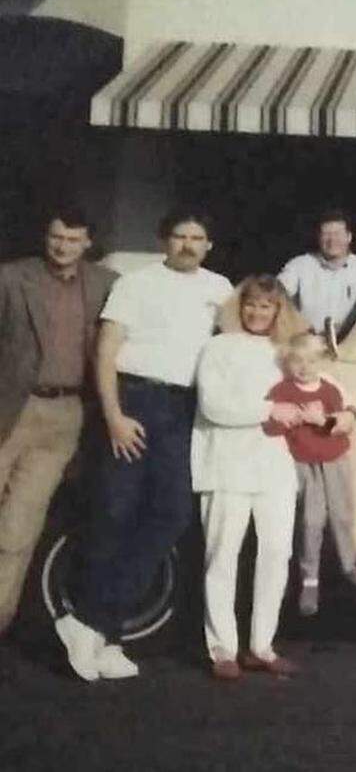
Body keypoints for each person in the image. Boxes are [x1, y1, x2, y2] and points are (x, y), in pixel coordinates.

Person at [55, 209, 233, 681]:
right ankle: (101, 631)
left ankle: (92, 623)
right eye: (180, 236)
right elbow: (107, 349)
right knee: (115, 514)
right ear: (164, 240)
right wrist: (114, 415)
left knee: (172, 515)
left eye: (198, 237)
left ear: (209, 245)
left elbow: (250, 336)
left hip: (183, 409)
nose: (188, 245)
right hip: (135, 400)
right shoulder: (136, 283)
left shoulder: (220, 289)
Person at [0, 207, 117, 636]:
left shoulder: (107, 285)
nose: (62, 246)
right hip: (11, 406)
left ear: (87, 243)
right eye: (56, 238)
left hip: (65, 416)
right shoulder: (11, 278)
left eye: (72, 240)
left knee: (19, 527)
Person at [192, 276, 310, 680]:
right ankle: (222, 648)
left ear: (280, 311)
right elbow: (214, 406)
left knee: (277, 554)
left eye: (267, 306)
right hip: (226, 464)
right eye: (251, 304)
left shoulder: (286, 352)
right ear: (239, 306)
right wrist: (268, 411)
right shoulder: (218, 346)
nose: (258, 313)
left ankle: (261, 646)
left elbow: (320, 390)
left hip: (275, 466)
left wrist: (341, 411)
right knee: (222, 555)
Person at [265, 332, 356, 619]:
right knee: (311, 522)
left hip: (334, 459)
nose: (304, 367)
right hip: (303, 462)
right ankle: (310, 581)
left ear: (321, 361)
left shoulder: (330, 389)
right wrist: (286, 417)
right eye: (298, 360)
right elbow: (271, 424)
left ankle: (349, 564)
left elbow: (346, 420)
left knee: (342, 514)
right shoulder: (283, 390)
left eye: (311, 360)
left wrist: (321, 420)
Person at [278, 209, 356, 334]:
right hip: (310, 343)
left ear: (349, 237)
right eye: (326, 234)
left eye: (337, 234)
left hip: (354, 344)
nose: (332, 240)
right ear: (319, 238)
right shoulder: (299, 265)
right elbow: (274, 295)